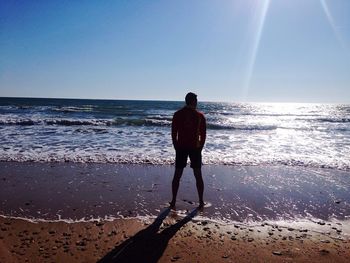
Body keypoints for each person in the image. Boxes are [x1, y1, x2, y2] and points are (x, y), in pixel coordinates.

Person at [170, 92, 206, 209]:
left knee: (177, 175)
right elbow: (203, 135)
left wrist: (176, 146)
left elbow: (173, 133)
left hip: (181, 147)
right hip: (195, 148)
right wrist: (200, 147)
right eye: (196, 100)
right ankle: (201, 202)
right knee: (198, 175)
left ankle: (173, 201)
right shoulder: (199, 116)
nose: (197, 102)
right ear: (193, 101)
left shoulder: (177, 114)